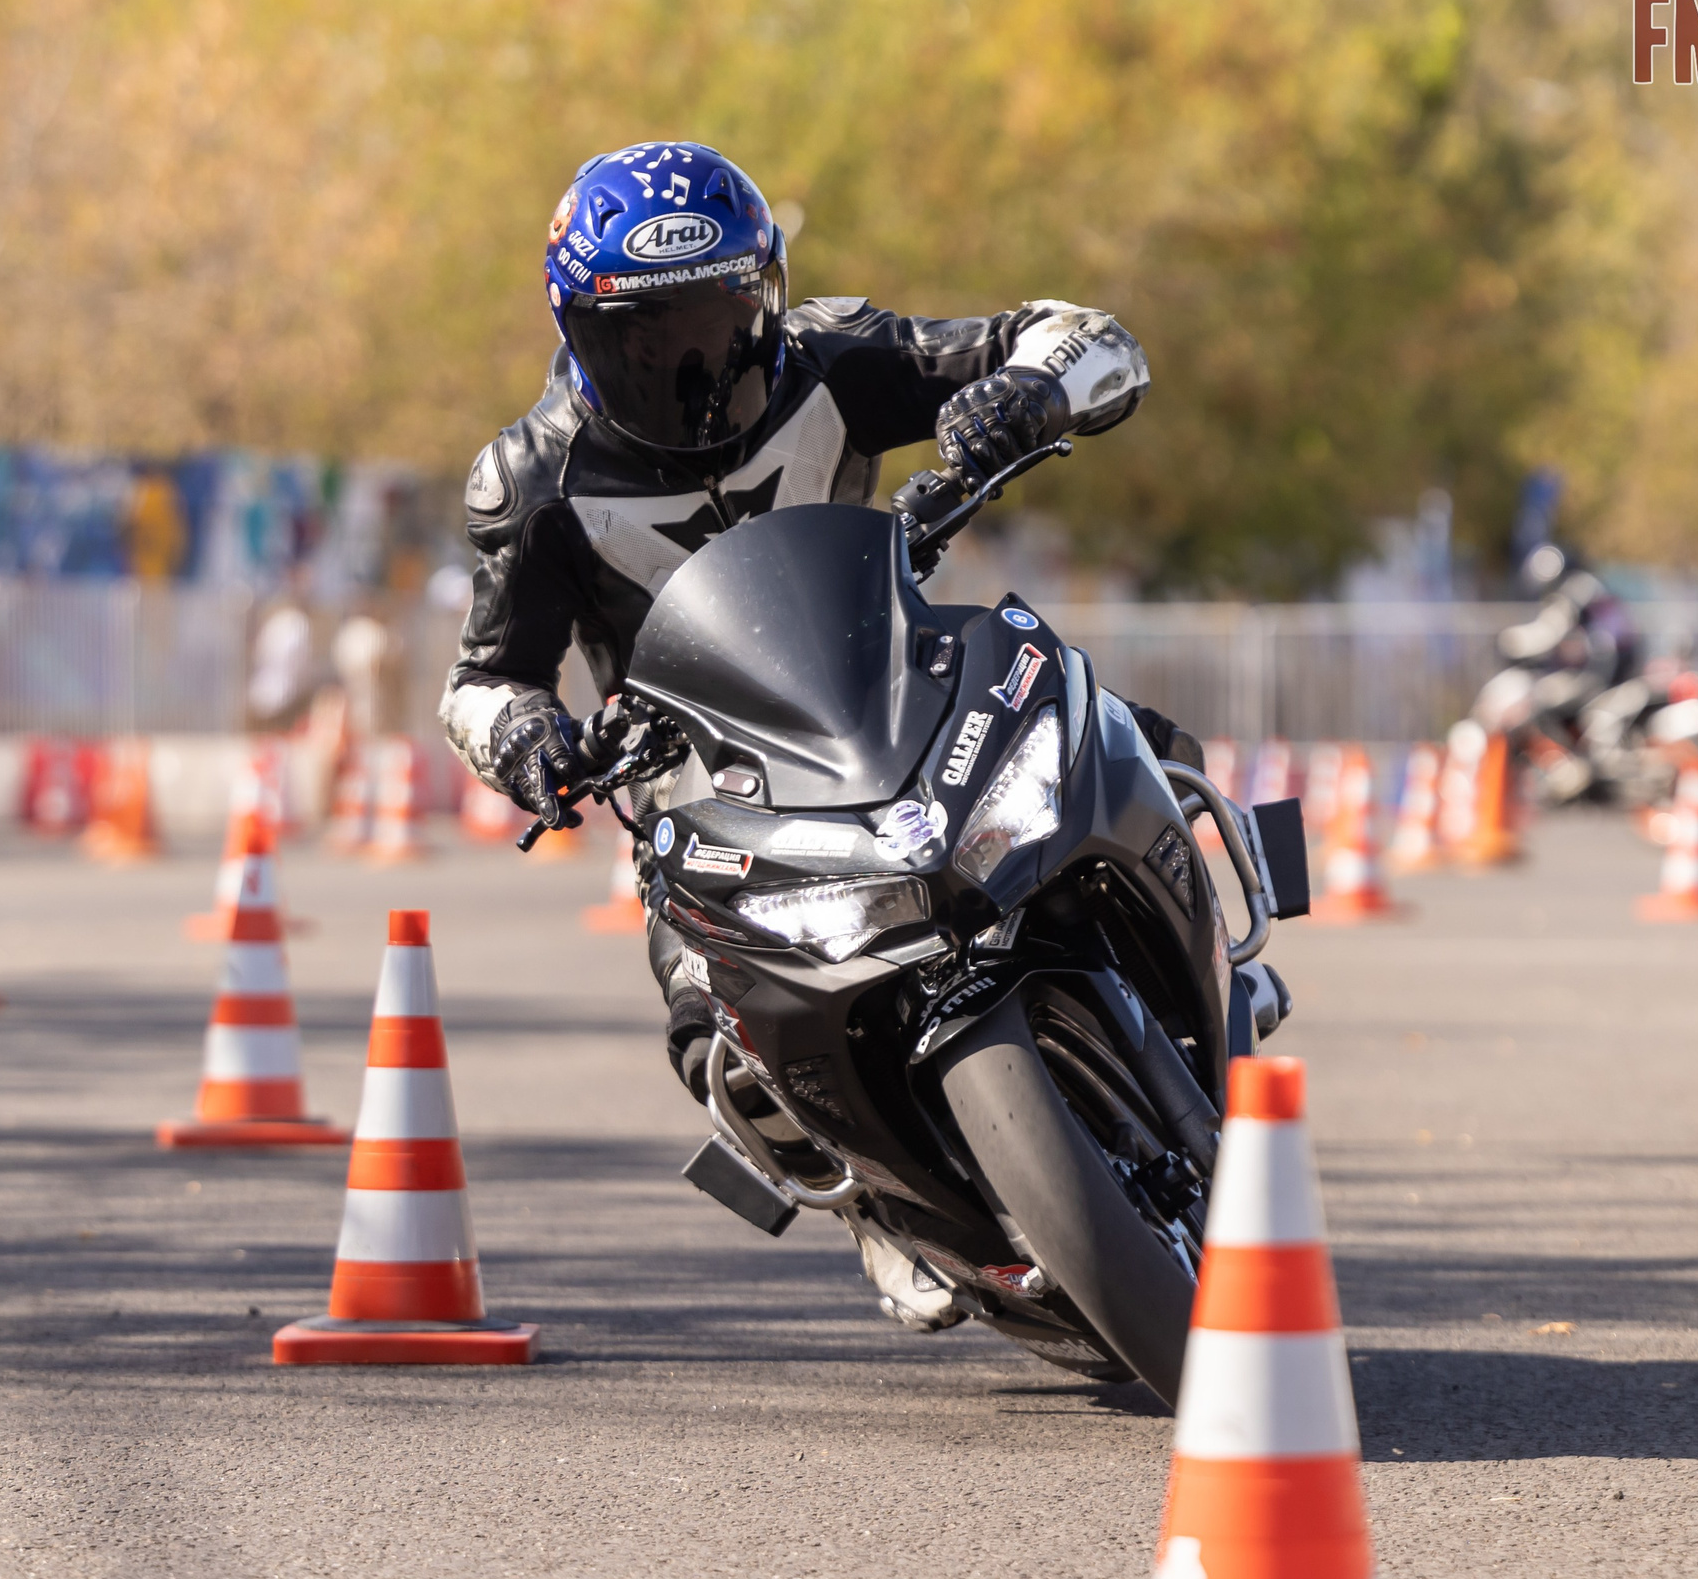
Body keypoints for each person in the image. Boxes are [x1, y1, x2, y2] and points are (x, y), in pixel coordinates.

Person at [439, 141, 1192, 1329]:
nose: (688, 363)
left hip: (894, 688)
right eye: (645, 336)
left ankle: (1206, 942)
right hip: (704, 786)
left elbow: (1081, 334)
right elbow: (482, 681)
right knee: (710, 1037)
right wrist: (532, 741)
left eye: (717, 321)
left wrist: (1025, 393)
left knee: (1122, 734)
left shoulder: (834, 361)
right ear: (578, 330)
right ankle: (882, 1207)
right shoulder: (534, 481)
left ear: (766, 297)